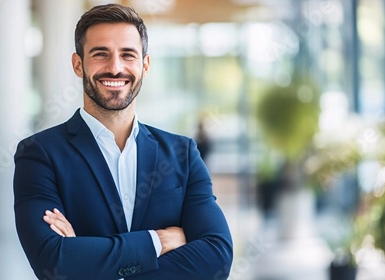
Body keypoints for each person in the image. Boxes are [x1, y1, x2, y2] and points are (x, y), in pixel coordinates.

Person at [13, 4, 233, 280]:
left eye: (127, 55)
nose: (115, 68)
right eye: (101, 54)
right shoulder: (39, 154)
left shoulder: (183, 154)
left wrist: (88, 261)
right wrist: (158, 241)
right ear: (78, 64)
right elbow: (54, 262)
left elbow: (216, 258)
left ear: (145, 65)